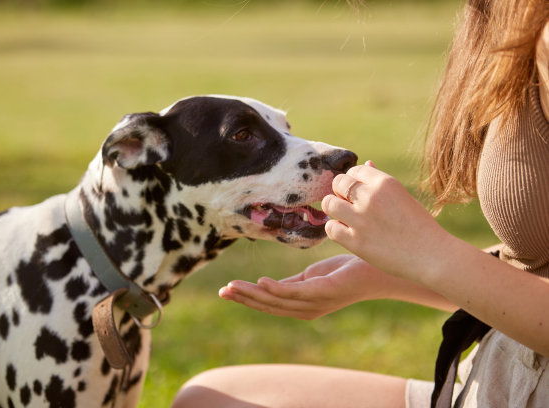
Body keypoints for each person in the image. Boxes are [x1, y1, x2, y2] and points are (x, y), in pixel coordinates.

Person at [171, 0, 549, 406]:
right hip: (499, 376)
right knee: (209, 397)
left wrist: (428, 252)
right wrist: (383, 275)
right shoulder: (500, 17)